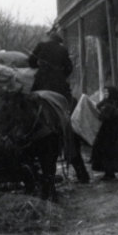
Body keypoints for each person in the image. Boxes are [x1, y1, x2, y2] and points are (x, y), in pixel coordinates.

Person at [29, 31, 90, 184]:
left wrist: (40, 65)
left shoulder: (40, 46)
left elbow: (30, 62)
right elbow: (69, 68)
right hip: (58, 87)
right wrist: (60, 73)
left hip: (41, 85)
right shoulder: (62, 49)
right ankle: (82, 174)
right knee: (68, 120)